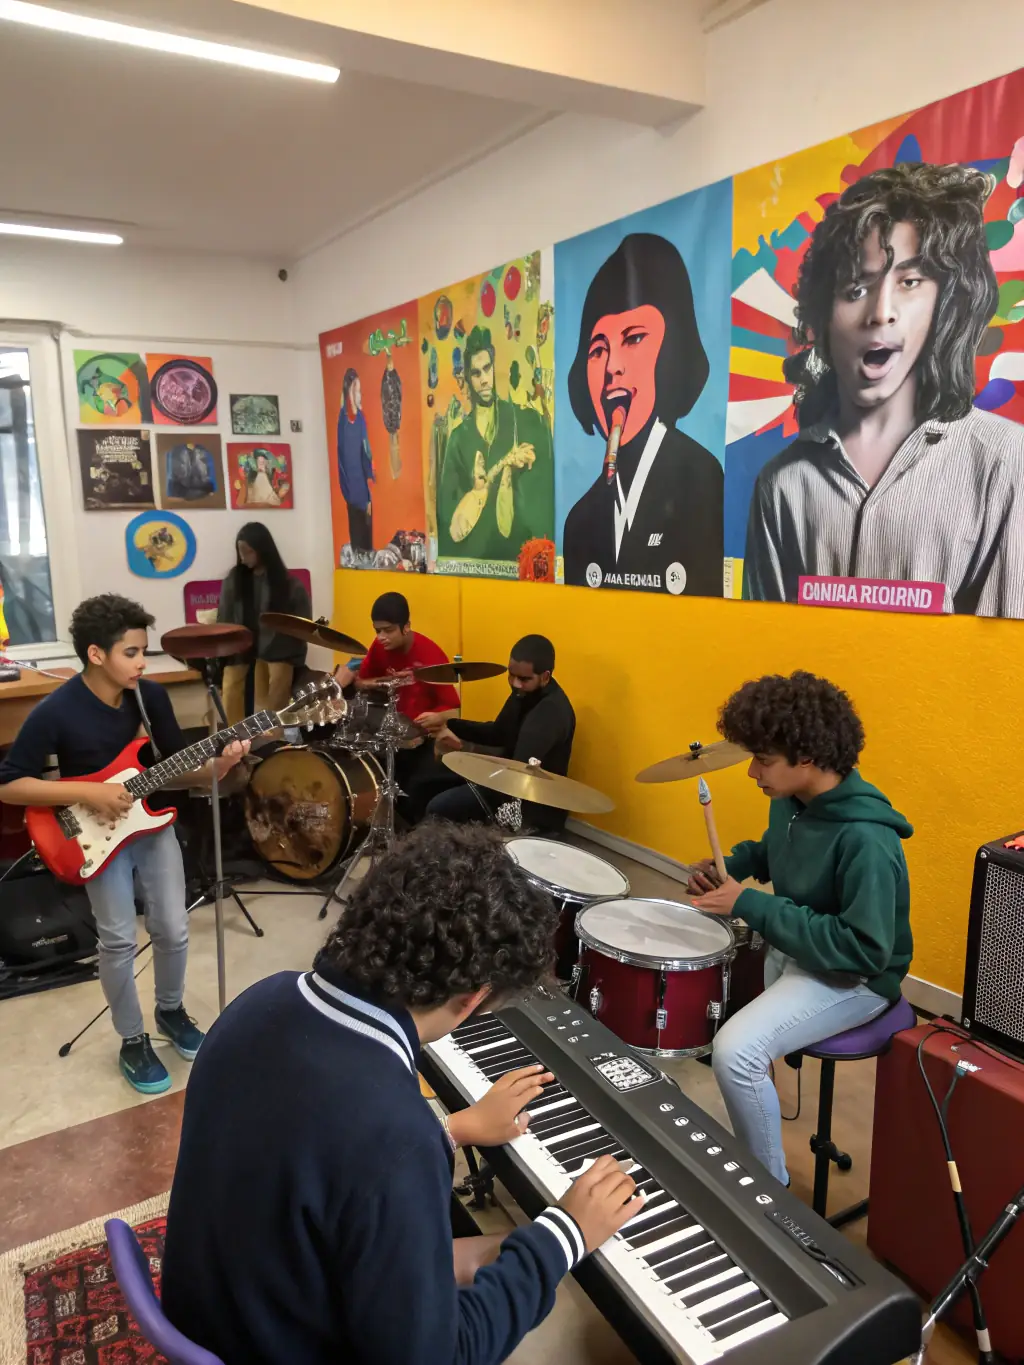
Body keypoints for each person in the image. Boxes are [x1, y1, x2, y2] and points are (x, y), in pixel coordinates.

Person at [162, 822, 640, 1365]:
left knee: (490, 1250)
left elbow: (312, 1143)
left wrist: (449, 1130)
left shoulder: (261, 1000)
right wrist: (566, 1232)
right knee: (522, 1258)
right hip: (281, 1344)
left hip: (229, 1311)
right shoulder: (393, 1137)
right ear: (472, 998)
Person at [743, 162, 1024, 616]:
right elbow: (768, 656)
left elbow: (1007, 666)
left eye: (910, 282)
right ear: (824, 316)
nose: (881, 312)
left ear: (945, 301)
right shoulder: (783, 483)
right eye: (856, 289)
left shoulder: (1005, 462)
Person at [0, 594, 248, 1092]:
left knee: (174, 929)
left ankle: (172, 1012)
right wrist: (89, 790)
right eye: (131, 652)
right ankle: (132, 1039)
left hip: (150, 824)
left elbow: (175, 770)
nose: (141, 663)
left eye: (144, 652)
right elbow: (10, 783)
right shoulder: (57, 710)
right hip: (91, 837)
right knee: (116, 939)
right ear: (96, 654)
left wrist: (216, 768)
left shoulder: (150, 699)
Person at [686, 671, 913, 1186]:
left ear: (806, 758)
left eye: (763, 759)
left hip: (855, 977)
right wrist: (735, 864)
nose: (751, 772)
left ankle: (770, 1196)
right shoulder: (792, 800)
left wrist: (751, 905)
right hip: (800, 948)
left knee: (735, 1051)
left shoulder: (867, 840)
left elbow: (863, 951)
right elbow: (779, 850)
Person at [562, 232, 724, 597]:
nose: (612, 368)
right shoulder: (580, 522)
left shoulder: (705, 483)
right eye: (598, 349)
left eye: (634, 338)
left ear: (672, 351)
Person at [421, 635, 575, 834]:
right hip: (504, 782)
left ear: (545, 677)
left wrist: (464, 748)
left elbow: (518, 770)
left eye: (524, 679)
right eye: (511, 675)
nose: (515, 683)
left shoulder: (549, 713)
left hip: (527, 804)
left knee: (439, 808)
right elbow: (497, 733)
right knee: (424, 784)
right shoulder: (523, 693)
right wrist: (448, 723)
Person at [436, 326, 553, 564]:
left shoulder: (521, 420)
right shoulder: (459, 438)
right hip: (475, 567)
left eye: (487, 369)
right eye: (476, 373)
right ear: (469, 378)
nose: (484, 379)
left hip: (516, 564)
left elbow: (543, 500)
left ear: (493, 366)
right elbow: (447, 514)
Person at [217, 522, 310, 725]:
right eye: (240, 551)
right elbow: (223, 619)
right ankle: (233, 738)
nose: (243, 557)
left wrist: (295, 658)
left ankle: (273, 736)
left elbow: (303, 627)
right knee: (231, 681)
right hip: (240, 648)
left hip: (277, 651)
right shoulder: (234, 580)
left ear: (262, 550)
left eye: (248, 552)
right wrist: (223, 655)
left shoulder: (288, 585)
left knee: (279, 675)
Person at [337, 367, 375, 554]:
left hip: (364, 492)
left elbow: (365, 453)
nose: (360, 395)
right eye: (358, 390)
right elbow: (343, 461)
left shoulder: (360, 419)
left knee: (367, 543)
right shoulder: (343, 422)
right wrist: (355, 496)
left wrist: (369, 489)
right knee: (358, 545)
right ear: (350, 390)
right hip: (353, 495)